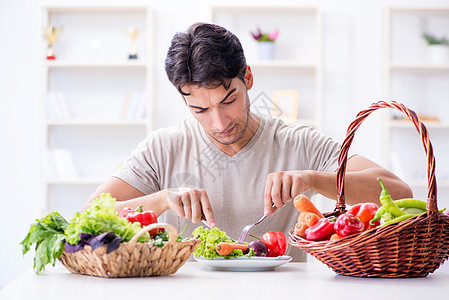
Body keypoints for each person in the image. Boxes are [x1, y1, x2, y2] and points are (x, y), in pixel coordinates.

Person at [82, 23, 412, 261]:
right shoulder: (162, 148)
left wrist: (313, 179)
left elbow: (400, 193)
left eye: (229, 100)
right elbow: (88, 218)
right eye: (200, 109)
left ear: (248, 78)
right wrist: (163, 200)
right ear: (184, 101)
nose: (219, 122)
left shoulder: (300, 144)